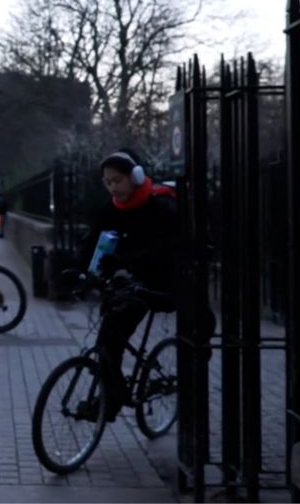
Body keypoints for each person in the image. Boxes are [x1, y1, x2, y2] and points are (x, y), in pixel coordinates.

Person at [80, 149, 185, 422]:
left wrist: (123, 261)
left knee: (111, 338)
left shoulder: (158, 206)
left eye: (118, 180)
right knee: (106, 342)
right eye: (108, 182)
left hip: (158, 283)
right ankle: (113, 396)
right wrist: (77, 270)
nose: (113, 187)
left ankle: (111, 401)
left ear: (135, 177)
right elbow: (92, 241)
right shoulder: (110, 209)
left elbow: (166, 248)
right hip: (128, 282)